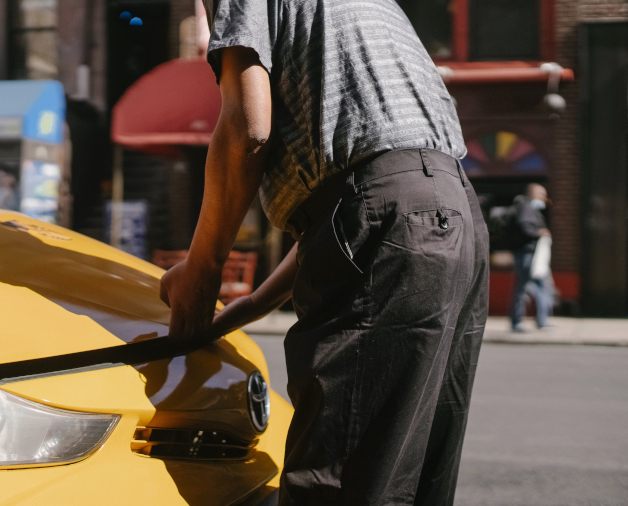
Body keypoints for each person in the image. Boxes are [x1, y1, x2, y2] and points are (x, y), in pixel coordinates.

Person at [158, 0, 489, 504]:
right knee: (411, 480)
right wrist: (249, 305)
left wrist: (202, 269)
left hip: (396, 217)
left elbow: (249, 127)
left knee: (337, 483)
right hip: (454, 214)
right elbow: (374, 188)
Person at [506, 184, 553, 331]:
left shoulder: (528, 207)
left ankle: (536, 320)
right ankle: (525, 321)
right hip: (528, 253)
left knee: (533, 286)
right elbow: (525, 227)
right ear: (532, 193)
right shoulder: (526, 206)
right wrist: (538, 232)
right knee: (530, 286)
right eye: (541, 194)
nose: (544, 199)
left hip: (530, 253)